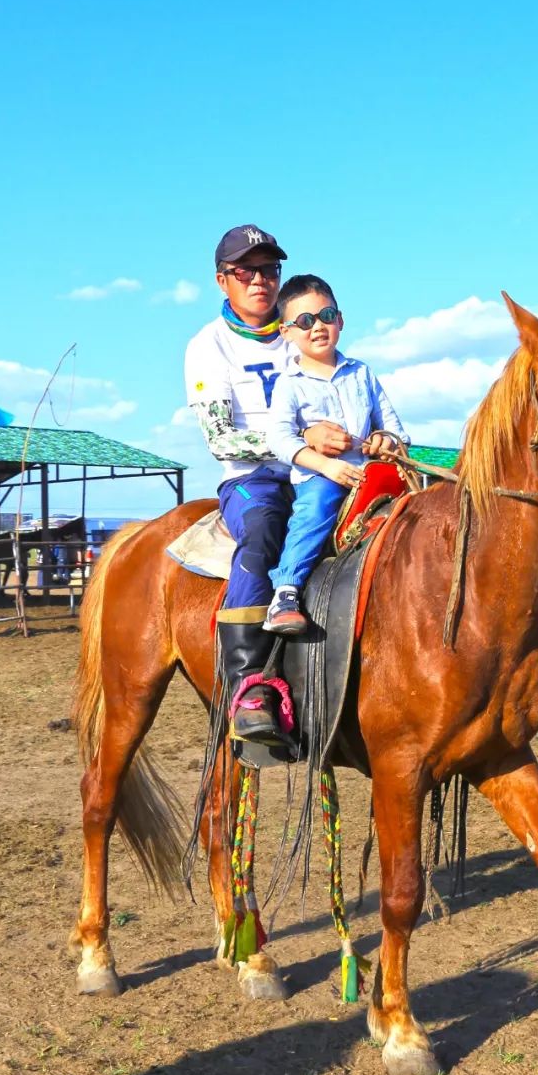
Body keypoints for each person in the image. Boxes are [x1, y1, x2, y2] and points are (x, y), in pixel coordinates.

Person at [184, 228, 353, 746]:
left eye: (270, 270)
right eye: (245, 271)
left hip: (322, 469)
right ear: (222, 281)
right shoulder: (207, 347)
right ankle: (248, 686)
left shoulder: (303, 327)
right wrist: (300, 439)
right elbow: (220, 438)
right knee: (262, 532)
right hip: (253, 478)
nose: (260, 280)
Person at [262, 273, 409, 634]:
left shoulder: (362, 374)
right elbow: (278, 437)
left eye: (326, 316)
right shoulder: (289, 384)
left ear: (340, 320)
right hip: (320, 477)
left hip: (370, 473)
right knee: (314, 510)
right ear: (287, 332)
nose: (317, 327)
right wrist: (325, 466)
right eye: (305, 322)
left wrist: (385, 443)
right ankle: (286, 590)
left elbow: (394, 428)